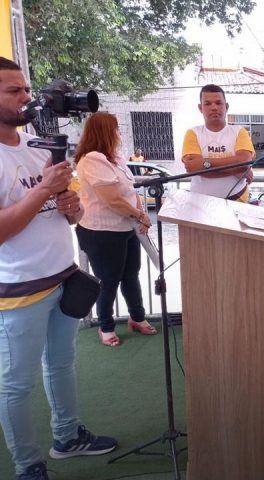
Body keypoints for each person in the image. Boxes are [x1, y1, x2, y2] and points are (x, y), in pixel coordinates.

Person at [0, 57, 117, 480]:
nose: (26, 97)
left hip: (62, 278)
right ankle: (28, 465)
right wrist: (45, 191)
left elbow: (69, 212)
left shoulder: (36, 145)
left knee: (62, 365)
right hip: (18, 291)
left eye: (26, 88)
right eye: (13, 90)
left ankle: (67, 437)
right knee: (17, 384)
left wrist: (70, 205)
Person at [74, 112, 157, 347]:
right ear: (105, 132)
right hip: (102, 232)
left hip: (126, 227)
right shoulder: (92, 159)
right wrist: (140, 215)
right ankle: (106, 327)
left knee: (131, 275)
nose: (119, 133)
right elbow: (112, 199)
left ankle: (137, 317)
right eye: (116, 128)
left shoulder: (116, 158)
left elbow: (130, 190)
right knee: (108, 280)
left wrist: (140, 214)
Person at [181, 84, 255, 203]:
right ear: (200, 108)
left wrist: (204, 164)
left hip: (237, 200)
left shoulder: (240, 132)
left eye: (218, 103)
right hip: (200, 203)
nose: (214, 107)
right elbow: (194, 168)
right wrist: (236, 170)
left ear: (226, 106)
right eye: (207, 104)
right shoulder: (192, 133)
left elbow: (244, 162)